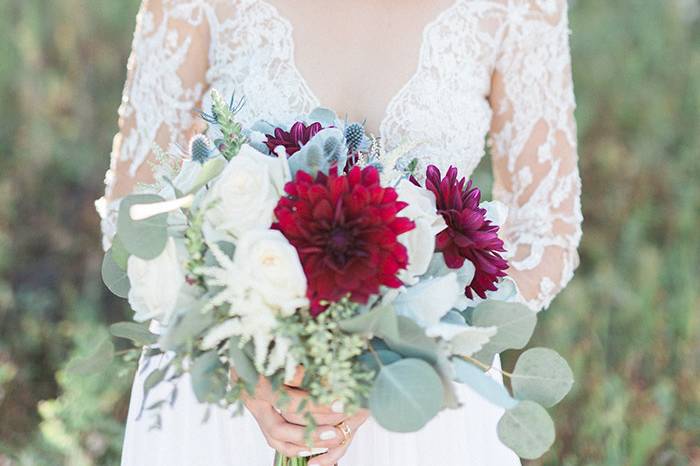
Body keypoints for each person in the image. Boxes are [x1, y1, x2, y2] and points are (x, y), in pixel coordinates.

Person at [96, 0, 582, 464]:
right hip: (229, 395)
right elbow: (133, 210)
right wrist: (243, 362)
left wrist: (400, 356)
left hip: (418, 405)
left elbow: (545, 231)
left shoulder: (518, 8)